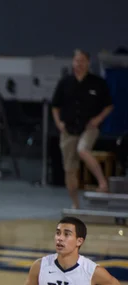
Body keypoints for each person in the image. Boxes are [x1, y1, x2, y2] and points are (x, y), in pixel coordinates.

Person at [52, 49, 114, 208]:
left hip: (88, 127)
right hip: (68, 129)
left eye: (82, 61)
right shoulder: (65, 82)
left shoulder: (97, 83)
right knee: (70, 169)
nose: (79, 64)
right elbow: (55, 106)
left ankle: (102, 183)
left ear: (88, 62)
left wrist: (98, 119)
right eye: (76, 61)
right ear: (73, 62)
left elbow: (108, 105)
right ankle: (75, 203)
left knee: (83, 149)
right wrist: (59, 123)